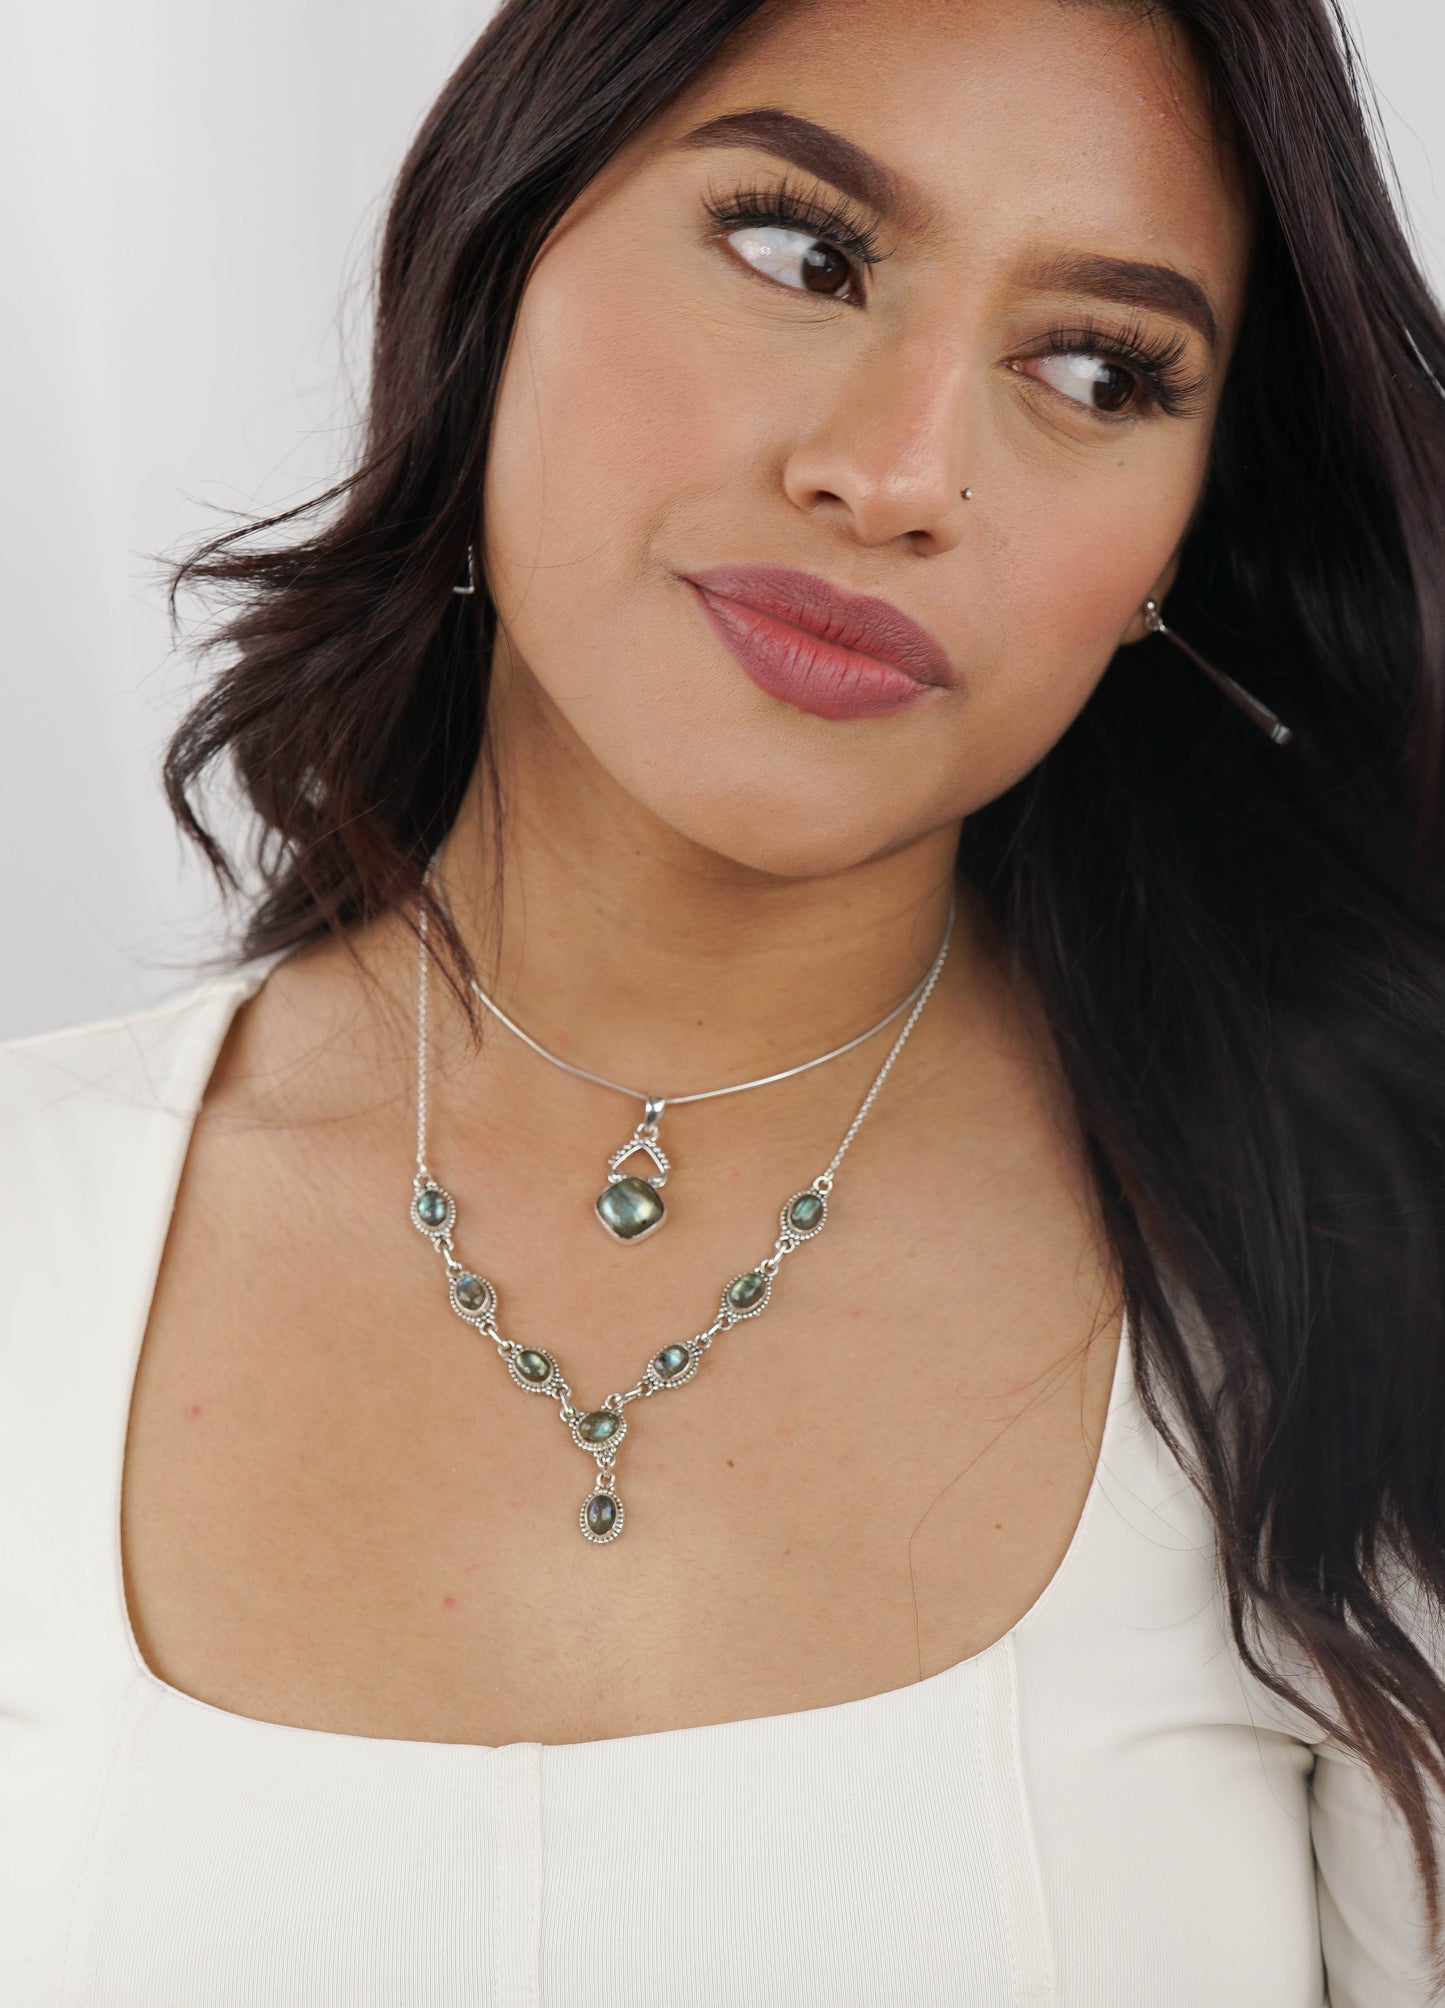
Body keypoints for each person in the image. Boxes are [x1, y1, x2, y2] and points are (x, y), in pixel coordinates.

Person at [3, 0, 1444, 1999]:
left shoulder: (1356, 1299)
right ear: (502, 247)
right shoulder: (29, 1229)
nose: (901, 471)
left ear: (1185, 543)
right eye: (802, 251)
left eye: (1100, 365)